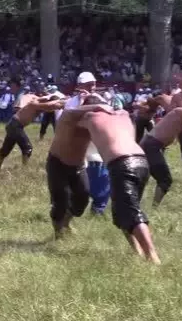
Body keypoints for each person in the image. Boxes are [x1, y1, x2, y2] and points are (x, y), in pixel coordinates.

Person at [76, 95, 161, 264]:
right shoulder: (123, 116)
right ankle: (137, 252)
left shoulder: (90, 117)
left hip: (122, 164)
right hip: (142, 162)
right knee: (120, 213)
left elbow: (71, 115)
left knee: (132, 212)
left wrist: (80, 102)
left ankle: (153, 257)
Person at [46, 99, 115, 237]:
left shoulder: (93, 124)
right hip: (57, 164)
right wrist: (98, 106)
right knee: (61, 200)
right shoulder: (69, 117)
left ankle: (65, 222)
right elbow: (69, 111)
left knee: (82, 199)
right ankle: (58, 232)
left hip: (78, 165)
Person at [0, 93, 66, 171]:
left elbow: (50, 107)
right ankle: (24, 170)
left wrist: (63, 102)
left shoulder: (41, 106)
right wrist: (59, 102)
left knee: (6, 149)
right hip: (15, 126)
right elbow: (49, 105)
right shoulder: (35, 103)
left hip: (13, 126)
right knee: (27, 148)